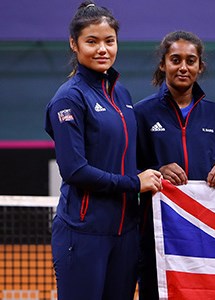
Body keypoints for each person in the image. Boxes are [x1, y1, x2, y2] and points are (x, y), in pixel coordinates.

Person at [44, 1, 162, 299]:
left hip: (125, 234)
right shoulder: (68, 99)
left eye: (109, 41)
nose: (102, 50)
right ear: (74, 44)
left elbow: (121, 159)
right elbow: (75, 170)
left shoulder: (121, 94)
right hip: (83, 234)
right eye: (91, 42)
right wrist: (135, 183)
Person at [134, 30, 215, 299]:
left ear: (200, 66)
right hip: (157, 237)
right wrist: (156, 170)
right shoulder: (141, 114)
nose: (183, 67)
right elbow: (129, 169)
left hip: (207, 234)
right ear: (163, 64)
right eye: (175, 60)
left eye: (191, 60)